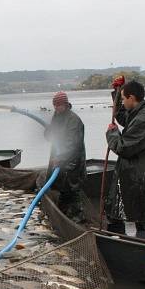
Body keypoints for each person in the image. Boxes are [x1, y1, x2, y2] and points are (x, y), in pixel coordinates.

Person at [105, 80, 145, 233]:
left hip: (139, 177)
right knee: (116, 212)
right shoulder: (140, 112)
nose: (122, 102)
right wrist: (117, 93)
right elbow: (124, 117)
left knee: (142, 217)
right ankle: (117, 241)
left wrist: (112, 133)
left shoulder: (144, 119)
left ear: (131, 98)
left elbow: (123, 148)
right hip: (132, 173)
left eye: (123, 98)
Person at [44, 91, 86, 222]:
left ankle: (77, 220)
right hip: (60, 163)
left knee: (73, 193)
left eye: (58, 105)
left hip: (72, 164)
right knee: (63, 192)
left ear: (65, 104)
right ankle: (63, 218)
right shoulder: (57, 117)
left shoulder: (74, 120)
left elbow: (73, 145)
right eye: (54, 105)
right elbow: (49, 136)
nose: (55, 108)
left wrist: (61, 159)